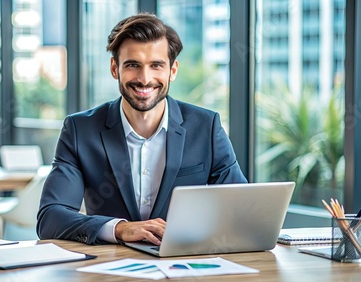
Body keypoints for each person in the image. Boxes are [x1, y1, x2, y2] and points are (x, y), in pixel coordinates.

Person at [37, 13, 247, 245]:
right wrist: (119, 229)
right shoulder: (80, 130)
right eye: (133, 65)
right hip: (108, 268)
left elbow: (242, 209)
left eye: (156, 65)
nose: (144, 79)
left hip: (186, 263)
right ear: (115, 68)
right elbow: (50, 217)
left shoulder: (206, 127)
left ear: (173, 70)